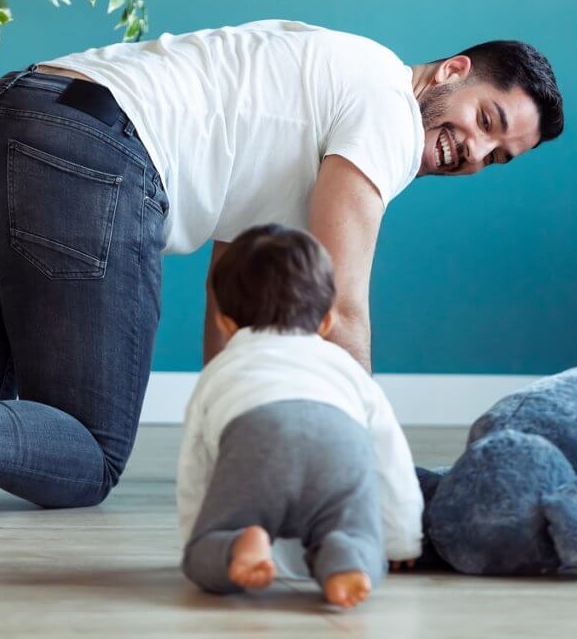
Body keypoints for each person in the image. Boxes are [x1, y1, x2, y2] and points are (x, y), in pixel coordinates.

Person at [0, 20, 563, 528]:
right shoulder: (388, 112)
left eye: (499, 153)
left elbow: (234, 291)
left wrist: (227, 448)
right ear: (450, 72)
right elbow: (343, 303)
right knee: (89, 455)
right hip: (93, 158)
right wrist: (373, 473)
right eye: (485, 116)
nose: (474, 150)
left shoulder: (320, 82)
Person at [177, 224, 422, 607]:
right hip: (339, 442)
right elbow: (390, 454)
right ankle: (346, 557)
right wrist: (402, 538)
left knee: (205, 555)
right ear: (326, 321)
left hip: (256, 438)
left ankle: (239, 545)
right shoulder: (345, 369)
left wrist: (201, 533)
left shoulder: (221, 372)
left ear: (225, 323)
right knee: (360, 537)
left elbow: (195, 462)